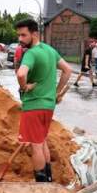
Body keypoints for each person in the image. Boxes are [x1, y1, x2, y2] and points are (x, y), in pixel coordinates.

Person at [15, 19, 72, 182]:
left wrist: (24, 86)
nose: (20, 39)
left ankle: (41, 185)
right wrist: (56, 92)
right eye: (19, 35)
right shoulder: (50, 51)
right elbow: (67, 70)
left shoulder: (31, 53)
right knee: (42, 142)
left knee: (36, 146)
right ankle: (48, 180)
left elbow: (20, 74)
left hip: (33, 106)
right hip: (48, 106)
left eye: (24, 35)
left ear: (35, 34)